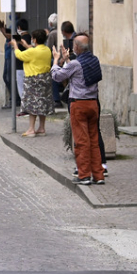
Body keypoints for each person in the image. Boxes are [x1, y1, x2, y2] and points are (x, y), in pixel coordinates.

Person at [51, 37, 105, 185]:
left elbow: (57, 76)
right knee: (94, 140)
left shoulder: (75, 64)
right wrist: (68, 60)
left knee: (81, 141)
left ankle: (84, 175)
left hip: (79, 105)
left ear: (76, 47)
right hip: (93, 104)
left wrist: (56, 61)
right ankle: (98, 175)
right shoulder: (94, 60)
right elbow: (79, 72)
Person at [11, 29, 53, 137]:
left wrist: (15, 45)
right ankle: (42, 128)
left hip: (32, 79)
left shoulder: (32, 52)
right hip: (45, 79)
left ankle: (31, 129)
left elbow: (20, 55)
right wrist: (25, 45)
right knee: (42, 102)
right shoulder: (47, 50)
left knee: (32, 104)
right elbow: (35, 52)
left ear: (34, 39)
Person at [45, 13, 63, 107]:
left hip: (55, 59)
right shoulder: (58, 32)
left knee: (53, 78)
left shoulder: (52, 34)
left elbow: (49, 48)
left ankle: (56, 98)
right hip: (61, 58)